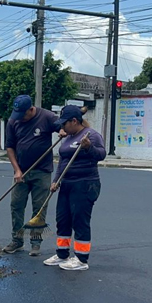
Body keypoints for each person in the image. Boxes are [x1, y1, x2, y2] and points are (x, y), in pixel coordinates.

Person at [43, 105, 106, 271]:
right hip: (67, 184)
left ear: (74, 121)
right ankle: (62, 254)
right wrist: (56, 181)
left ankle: (81, 258)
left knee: (80, 221)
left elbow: (101, 154)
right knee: (63, 220)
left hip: (85, 183)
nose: (62, 127)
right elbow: (63, 161)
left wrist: (88, 147)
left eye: (65, 123)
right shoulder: (69, 137)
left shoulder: (91, 135)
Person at [3, 95, 63, 256]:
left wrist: (62, 131)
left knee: (39, 208)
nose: (20, 118)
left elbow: (61, 126)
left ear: (31, 109)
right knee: (16, 205)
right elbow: (10, 147)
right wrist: (17, 170)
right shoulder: (13, 121)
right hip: (21, 172)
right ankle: (17, 240)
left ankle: (35, 242)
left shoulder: (47, 116)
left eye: (23, 114)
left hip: (42, 171)